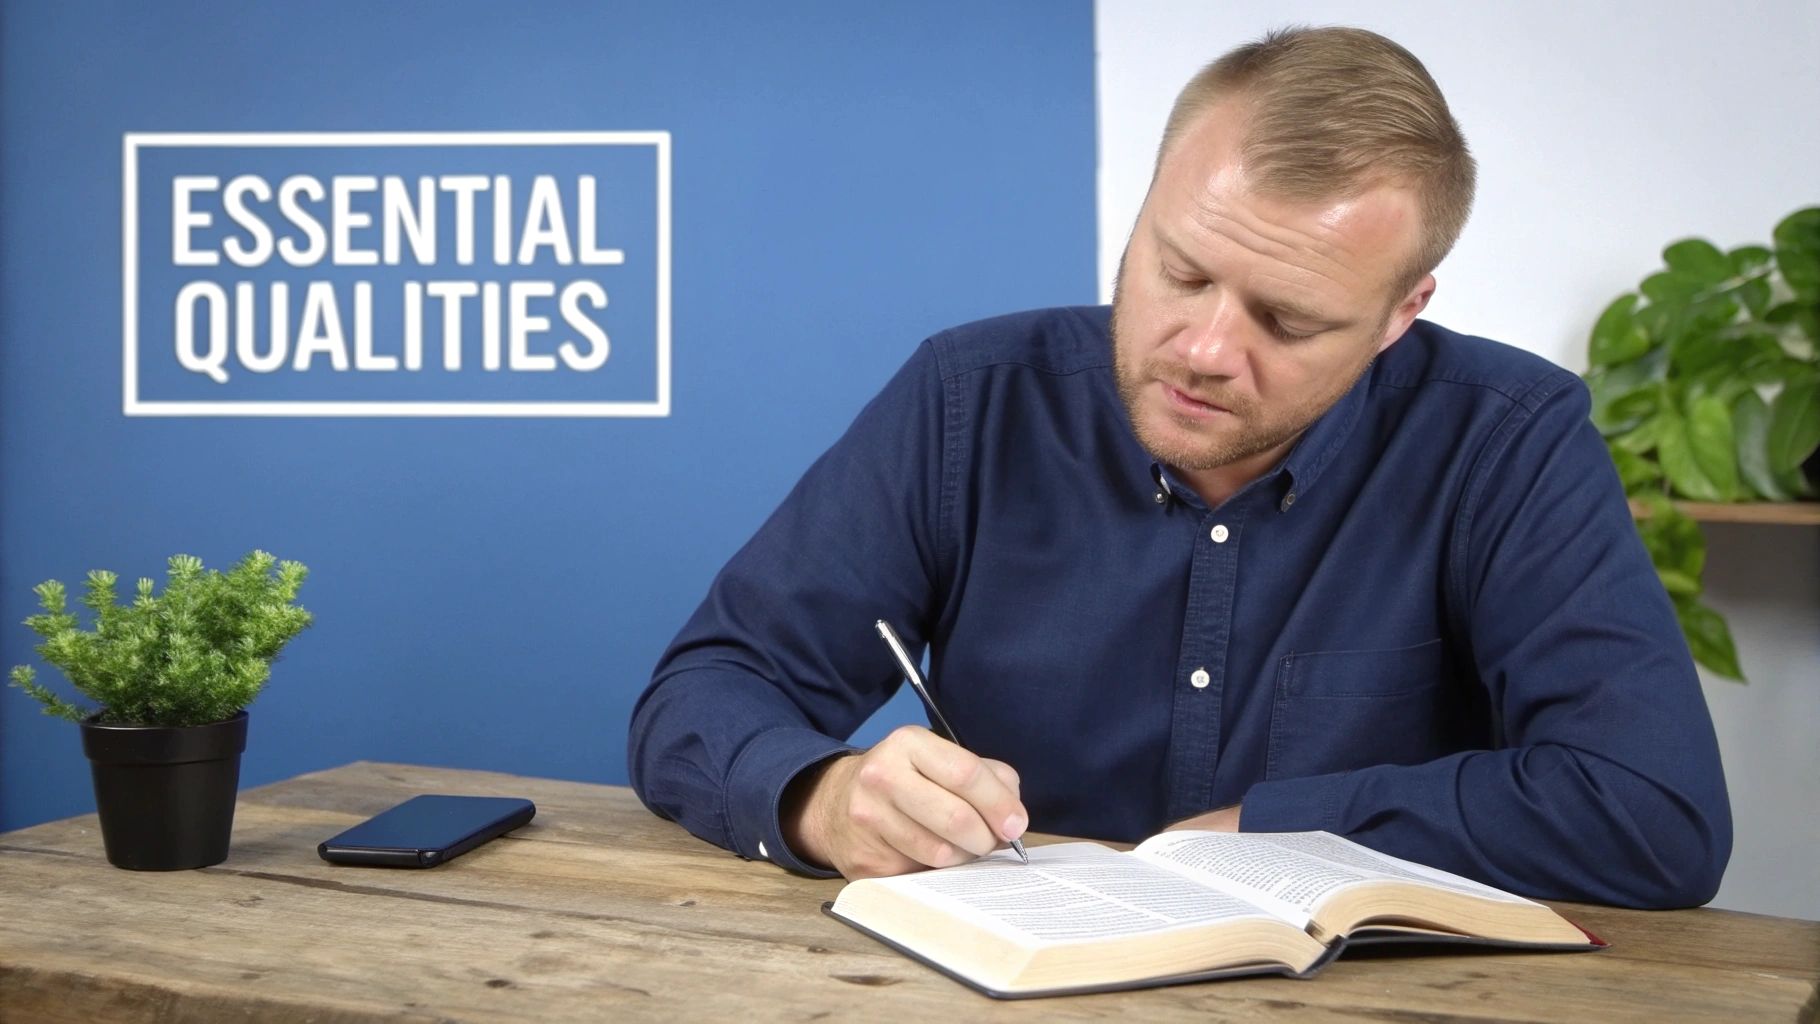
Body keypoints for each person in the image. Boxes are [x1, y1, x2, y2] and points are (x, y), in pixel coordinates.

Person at [627, 25, 1731, 908]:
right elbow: (705, 690)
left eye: (1286, 321)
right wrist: (822, 795)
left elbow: (1651, 812)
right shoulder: (970, 394)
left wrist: (1277, 825)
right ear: (1145, 207)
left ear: (1401, 314)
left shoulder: (1505, 437)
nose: (1204, 350)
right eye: (1179, 270)